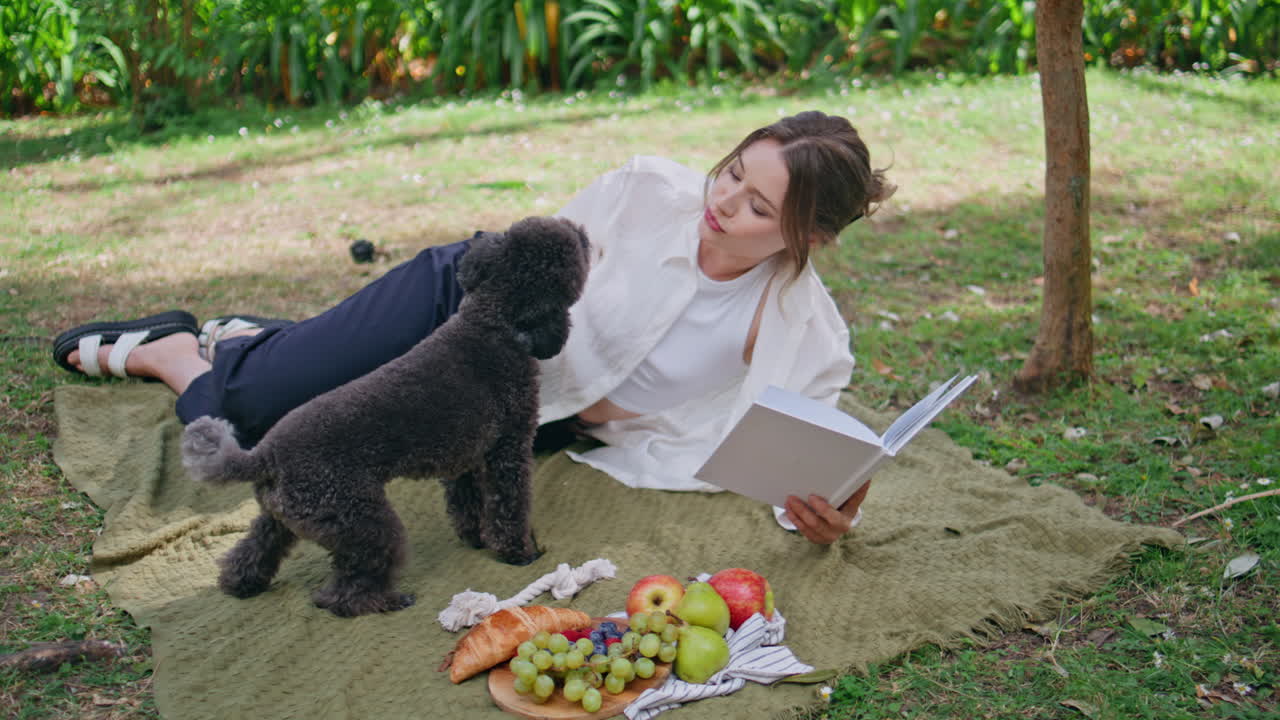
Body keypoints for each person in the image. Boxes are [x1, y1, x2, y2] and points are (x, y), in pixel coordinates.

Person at [52, 110, 895, 545]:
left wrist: (826, 518)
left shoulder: (805, 336)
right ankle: (177, 350)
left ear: (809, 237)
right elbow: (533, 275)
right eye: (733, 172)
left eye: (757, 206)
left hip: (518, 411)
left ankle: (253, 336)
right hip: (463, 309)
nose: (723, 202)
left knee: (310, 443)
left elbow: (800, 460)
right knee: (242, 418)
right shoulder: (648, 191)